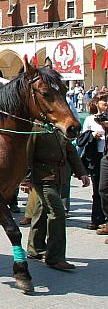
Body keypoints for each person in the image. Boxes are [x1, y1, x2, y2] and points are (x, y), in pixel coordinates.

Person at [22, 124, 90, 271]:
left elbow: (70, 151)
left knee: (42, 210)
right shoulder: (35, 127)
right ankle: (55, 258)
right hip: (43, 178)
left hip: (58, 177)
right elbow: (27, 154)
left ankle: (35, 249)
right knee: (57, 213)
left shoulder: (59, 126)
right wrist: (25, 179)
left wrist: (81, 172)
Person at [80, 94, 107, 231]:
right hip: (96, 156)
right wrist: (92, 135)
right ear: (97, 103)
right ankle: (97, 219)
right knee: (97, 189)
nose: (106, 104)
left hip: (106, 154)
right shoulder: (90, 119)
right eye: (104, 101)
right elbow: (82, 138)